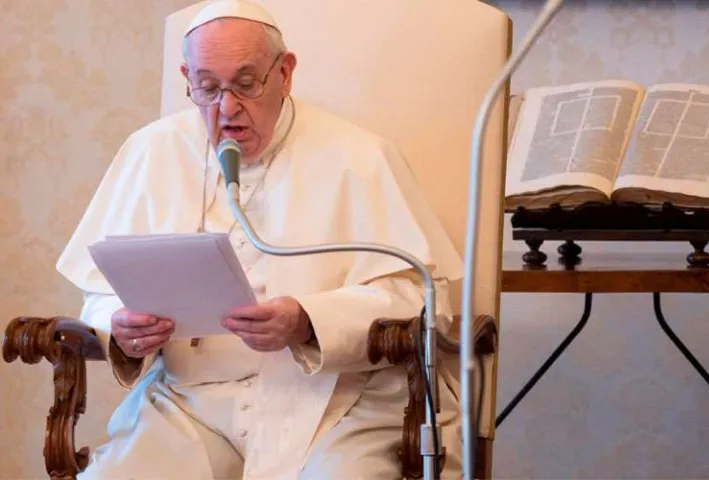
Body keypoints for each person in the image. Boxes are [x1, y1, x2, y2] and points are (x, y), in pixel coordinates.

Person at [56, 0, 465, 478]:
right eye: (207, 87)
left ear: (285, 73)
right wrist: (120, 327)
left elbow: (420, 299)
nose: (227, 108)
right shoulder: (152, 152)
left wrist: (308, 321)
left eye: (246, 84)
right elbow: (101, 292)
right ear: (187, 77)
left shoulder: (359, 156)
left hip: (338, 403)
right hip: (189, 403)